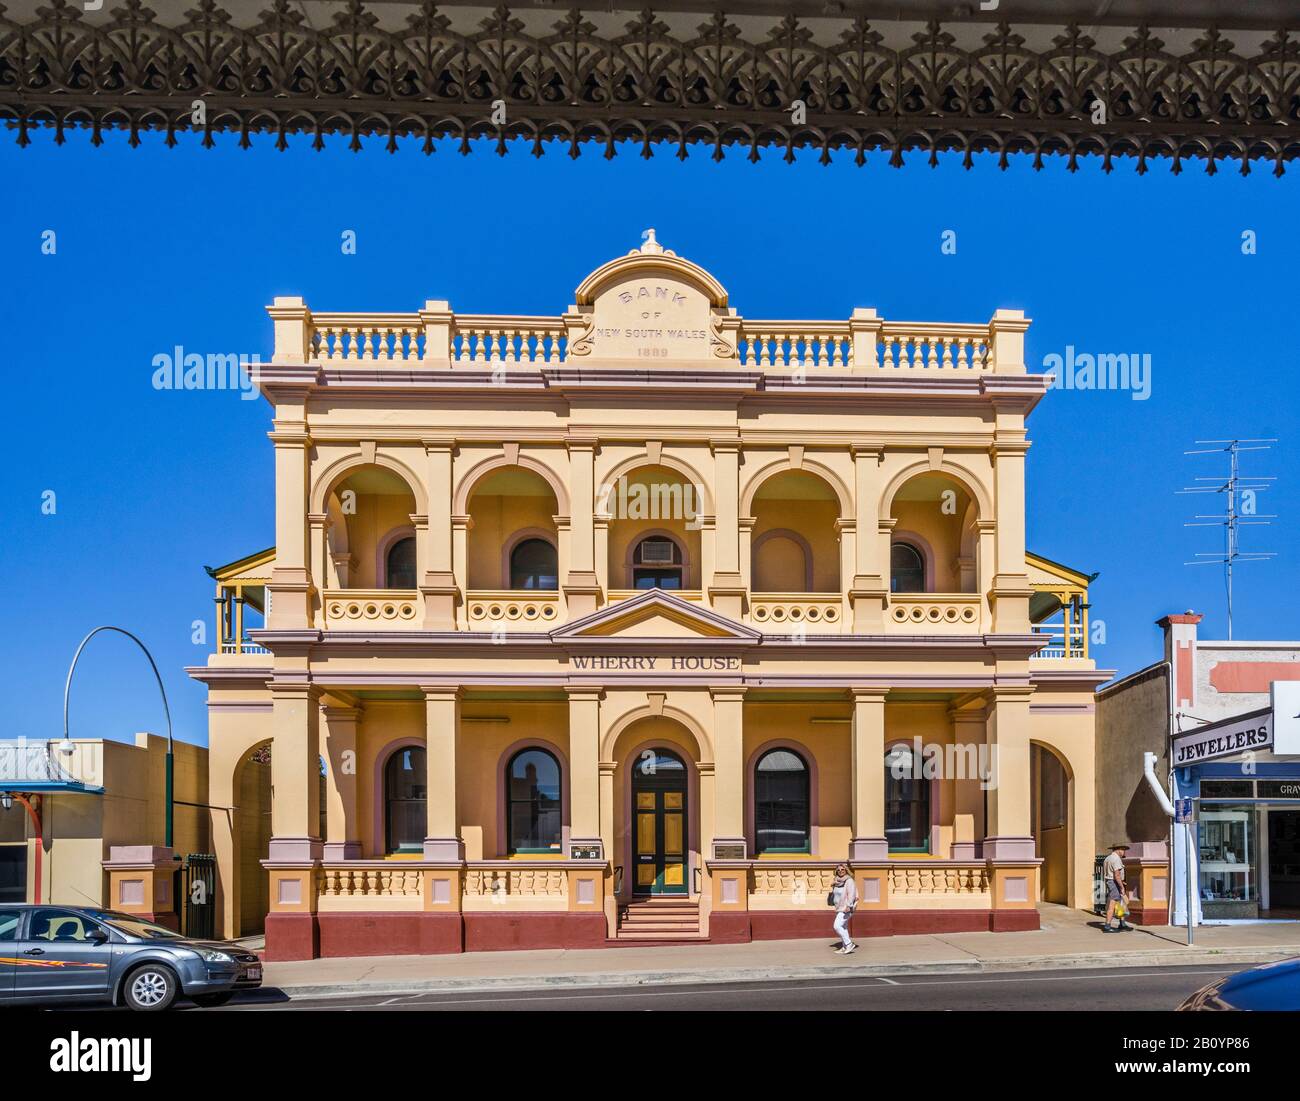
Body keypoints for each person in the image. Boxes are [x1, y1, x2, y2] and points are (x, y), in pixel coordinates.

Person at [1102, 842, 1131, 932]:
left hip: (1111, 881)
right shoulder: (1116, 859)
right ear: (1119, 850)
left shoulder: (1108, 858)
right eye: (1123, 850)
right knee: (1112, 904)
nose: (1124, 852)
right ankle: (1107, 926)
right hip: (1114, 882)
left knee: (1120, 903)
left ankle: (1122, 924)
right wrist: (1121, 887)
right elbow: (1117, 875)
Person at [831, 863, 859, 954]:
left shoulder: (849, 881)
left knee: (837, 926)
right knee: (843, 927)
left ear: (846, 870)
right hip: (839, 907)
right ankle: (844, 947)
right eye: (838, 870)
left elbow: (852, 894)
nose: (840, 871)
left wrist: (849, 905)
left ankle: (848, 943)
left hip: (846, 907)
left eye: (842, 869)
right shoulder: (837, 882)